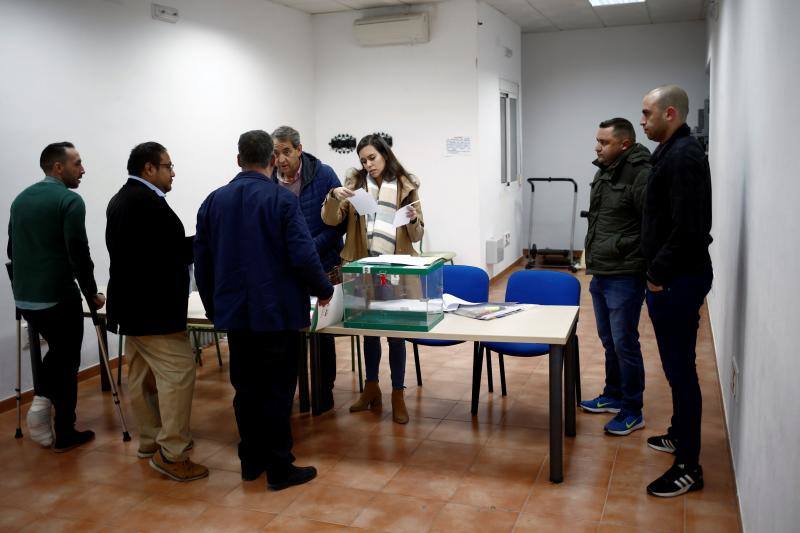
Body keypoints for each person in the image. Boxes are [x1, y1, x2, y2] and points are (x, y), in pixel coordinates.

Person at [194, 130, 333, 490]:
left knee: (246, 388)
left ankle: (250, 460)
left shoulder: (212, 202)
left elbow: (202, 264)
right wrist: (323, 289)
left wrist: (213, 307)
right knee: (277, 390)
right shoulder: (281, 201)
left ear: (238, 160)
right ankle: (279, 467)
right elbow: (303, 255)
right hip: (278, 313)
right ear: (272, 160)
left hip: (236, 316)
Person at [105, 142, 208, 482]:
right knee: (179, 373)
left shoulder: (123, 199)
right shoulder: (145, 204)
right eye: (168, 166)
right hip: (153, 312)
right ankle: (173, 453)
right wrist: (205, 241)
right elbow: (167, 255)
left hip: (133, 309)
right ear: (149, 169)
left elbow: (151, 251)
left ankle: (150, 440)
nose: (173, 172)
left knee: (142, 376)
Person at [639, 85, 713, 497]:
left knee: (682, 373)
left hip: (677, 280)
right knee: (675, 368)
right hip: (672, 277)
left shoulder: (684, 156)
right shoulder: (672, 151)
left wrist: (657, 274)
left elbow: (690, 228)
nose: (643, 121)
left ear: (670, 113)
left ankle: (689, 465)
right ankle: (678, 434)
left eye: (647, 114)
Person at [7, 142, 104, 452]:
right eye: (77, 163)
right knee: (67, 358)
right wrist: (92, 293)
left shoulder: (21, 200)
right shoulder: (69, 200)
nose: (83, 169)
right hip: (57, 296)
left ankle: (45, 413)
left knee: (59, 354)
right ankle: (58, 425)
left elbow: (11, 250)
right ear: (58, 167)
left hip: (24, 298)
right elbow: (79, 253)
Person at [321, 134, 424, 424]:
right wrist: (332, 197)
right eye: (363, 160)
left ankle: (398, 394)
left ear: (385, 155)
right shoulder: (354, 186)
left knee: (396, 335)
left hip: (397, 269)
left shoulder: (406, 185)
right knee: (368, 332)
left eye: (372, 158)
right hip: (361, 267)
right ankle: (371, 389)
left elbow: (417, 234)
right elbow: (330, 220)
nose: (368, 164)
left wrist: (414, 218)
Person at [580, 118, 651, 436]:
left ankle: (633, 409)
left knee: (625, 342)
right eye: (597, 140)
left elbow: (650, 225)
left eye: (604, 142)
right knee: (609, 341)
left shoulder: (640, 173)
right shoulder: (604, 170)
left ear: (624, 144)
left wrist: (624, 250)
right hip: (602, 270)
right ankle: (613, 394)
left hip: (625, 273)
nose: (597, 147)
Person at [271, 126, 345, 414]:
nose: (281, 159)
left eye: (286, 152)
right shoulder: (270, 181)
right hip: (287, 272)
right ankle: (296, 394)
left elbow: (340, 223)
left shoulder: (323, 174)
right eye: (276, 153)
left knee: (322, 336)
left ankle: (323, 395)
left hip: (324, 265)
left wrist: (309, 248)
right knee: (290, 334)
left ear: (299, 150)